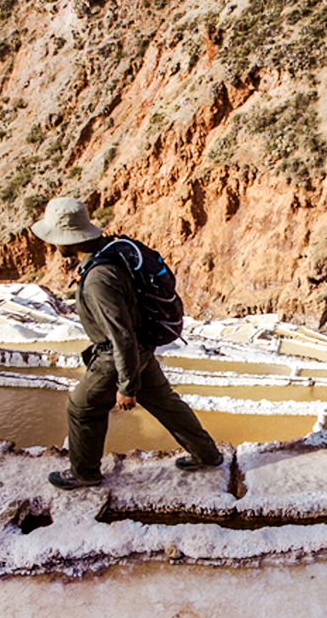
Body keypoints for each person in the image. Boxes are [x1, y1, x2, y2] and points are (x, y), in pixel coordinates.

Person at [30, 197, 223, 489]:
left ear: (68, 239)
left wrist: (126, 387)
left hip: (119, 356)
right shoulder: (109, 254)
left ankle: (84, 473)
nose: (53, 244)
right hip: (142, 349)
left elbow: (120, 335)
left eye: (55, 238)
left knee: (81, 409)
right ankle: (207, 454)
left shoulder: (98, 278)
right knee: (167, 405)